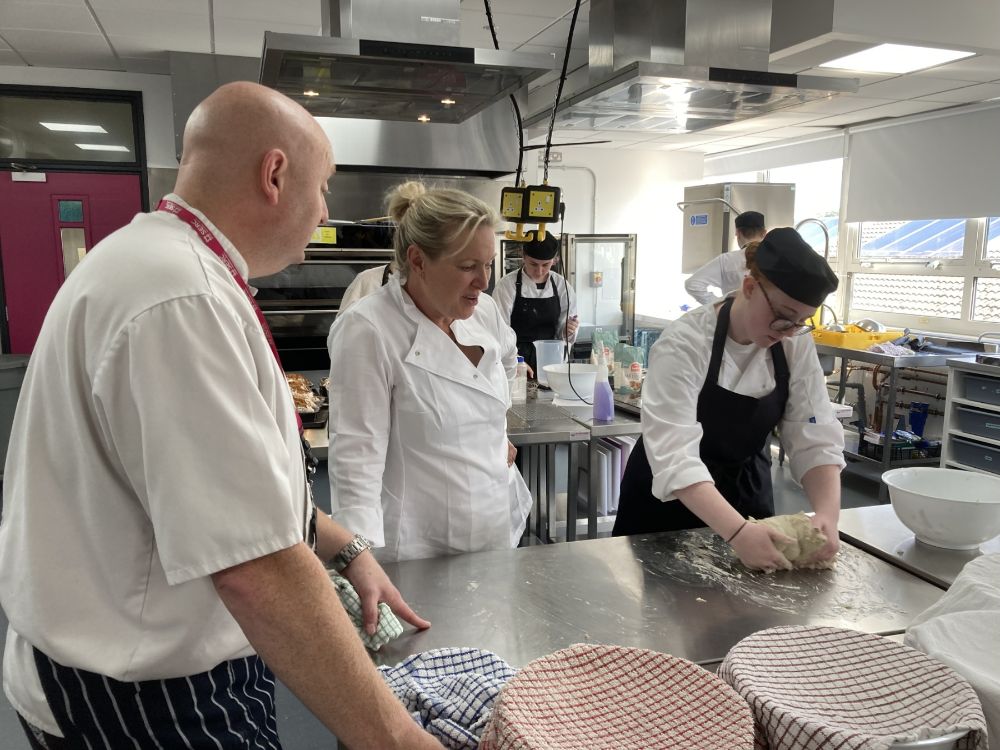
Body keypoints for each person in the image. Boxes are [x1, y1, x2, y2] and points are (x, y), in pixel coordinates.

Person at [0, 82, 442, 749]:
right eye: (322, 188)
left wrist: (343, 546)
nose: (322, 210)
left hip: (122, 664)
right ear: (274, 174)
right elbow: (255, 567)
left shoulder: (152, 263)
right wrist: (397, 739)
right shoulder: (182, 299)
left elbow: (223, 487)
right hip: (141, 697)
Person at [613, 228, 845, 573]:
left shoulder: (793, 344)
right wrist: (736, 531)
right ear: (749, 288)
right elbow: (675, 455)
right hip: (668, 505)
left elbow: (814, 434)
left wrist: (827, 514)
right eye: (783, 316)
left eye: (800, 323)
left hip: (748, 495)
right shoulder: (685, 343)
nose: (787, 330)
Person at [327, 181, 532, 563]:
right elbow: (356, 461)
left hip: (495, 526)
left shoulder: (483, 311)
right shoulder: (369, 328)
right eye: (468, 266)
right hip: (419, 550)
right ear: (418, 260)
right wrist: (357, 562)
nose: (484, 281)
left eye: (488, 264)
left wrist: (496, 430)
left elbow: (507, 357)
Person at [492, 230, 579, 375]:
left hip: (551, 361)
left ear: (555, 260)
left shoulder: (562, 286)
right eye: (533, 264)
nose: (539, 271)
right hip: (516, 362)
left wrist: (568, 331)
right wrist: (516, 361)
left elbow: (566, 335)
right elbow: (499, 331)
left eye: (546, 265)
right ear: (523, 256)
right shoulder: (507, 285)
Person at [685, 210, 767, 305]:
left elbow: (692, 284)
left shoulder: (725, 260)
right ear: (764, 233)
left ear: (737, 233)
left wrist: (722, 305)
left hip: (736, 317)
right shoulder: (777, 257)